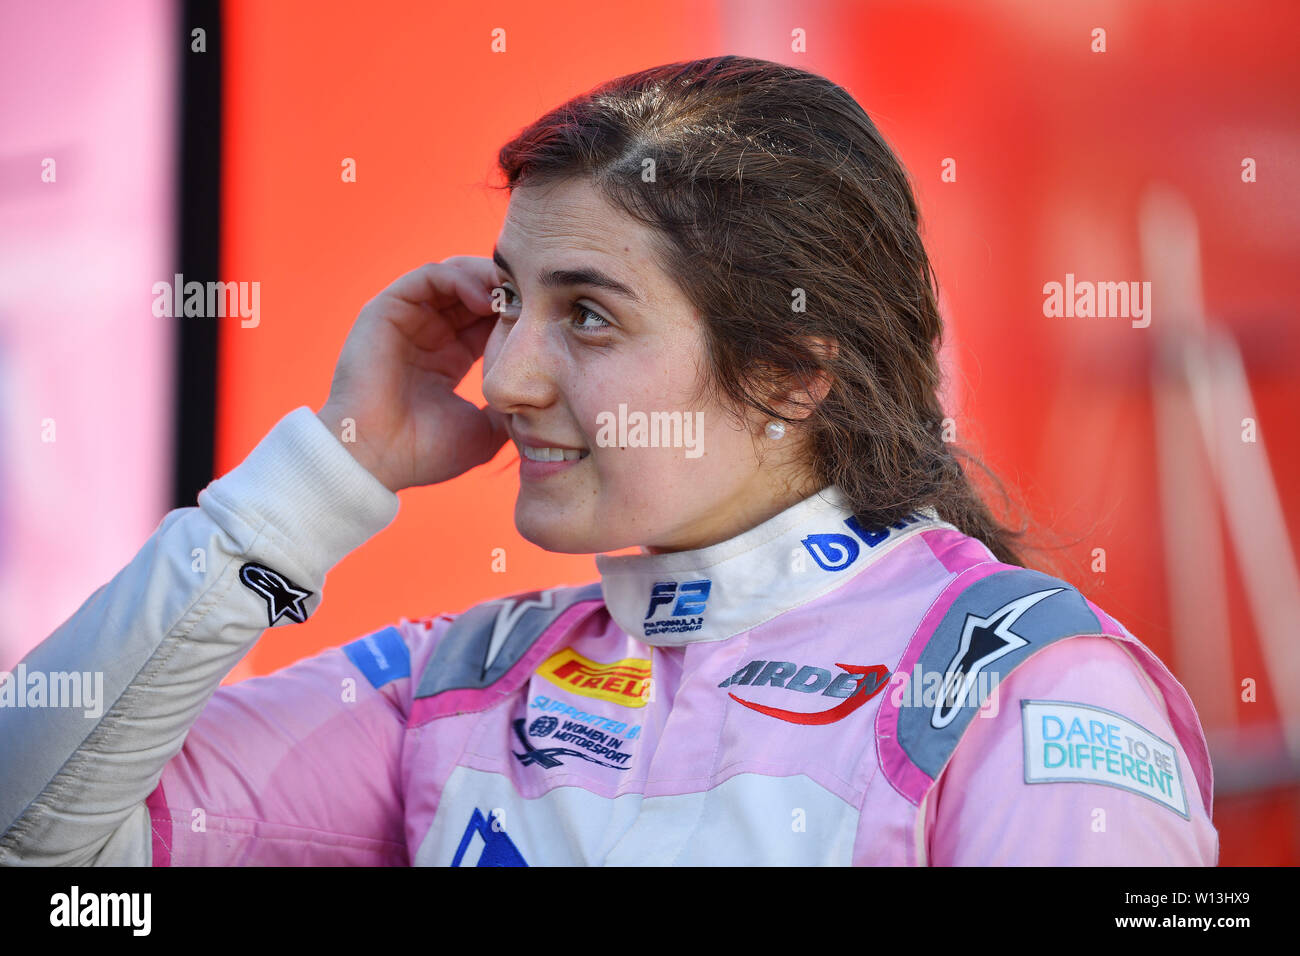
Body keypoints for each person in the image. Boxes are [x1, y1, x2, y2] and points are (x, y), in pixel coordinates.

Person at [0, 55, 1217, 866]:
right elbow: (39, 833)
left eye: (586, 313)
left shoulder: (1021, 693)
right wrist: (324, 473)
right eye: (510, 301)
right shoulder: (473, 678)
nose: (507, 375)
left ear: (793, 366)